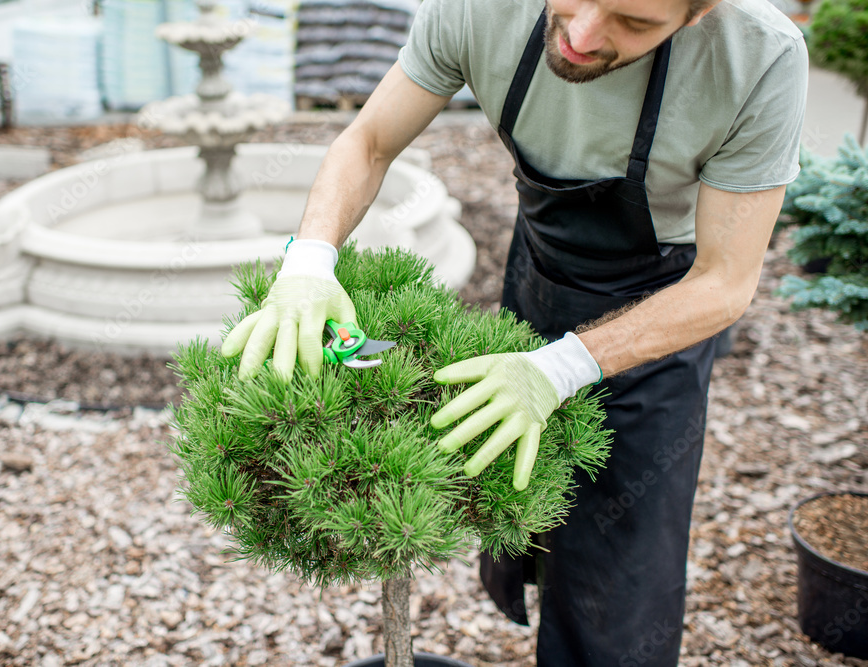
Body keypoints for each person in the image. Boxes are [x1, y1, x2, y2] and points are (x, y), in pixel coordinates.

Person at [221, 0, 808, 663]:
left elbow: (724, 281)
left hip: (660, 307)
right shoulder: (479, 9)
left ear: (698, 15)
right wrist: (309, 261)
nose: (585, 35)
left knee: (616, 573)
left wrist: (561, 368)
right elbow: (368, 141)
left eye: (634, 22)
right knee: (518, 510)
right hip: (541, 272)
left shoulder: (759, 58)